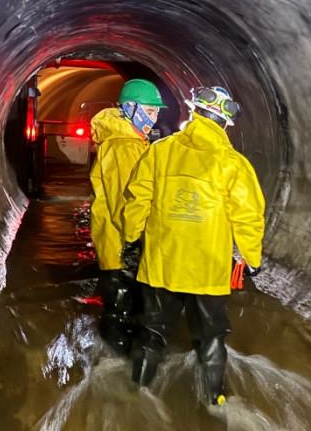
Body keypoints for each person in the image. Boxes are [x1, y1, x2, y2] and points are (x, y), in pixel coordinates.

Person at [121, 86, 265, 406]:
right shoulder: (233, 164)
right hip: (208, 271)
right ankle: (216, 402)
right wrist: (252, 259)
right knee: (211, 338)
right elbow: (248, 218)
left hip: (160, 265)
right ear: (225, 122)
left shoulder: (159, 152)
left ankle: (136, 398)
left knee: (152, 334)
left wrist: (131, 241)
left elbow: (137, 201)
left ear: (193, 112)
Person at [89, 78, 167, 355]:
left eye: (156, 111)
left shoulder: (133, 142)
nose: (154, 117)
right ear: (130, 109)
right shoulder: (122, 147)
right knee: (120, 316)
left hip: (121, 243)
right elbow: (124, 202)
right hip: (121, 246)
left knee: (125, 313)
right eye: (150, 110)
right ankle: (115, 366)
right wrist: (136, 242)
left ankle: (116, 364)